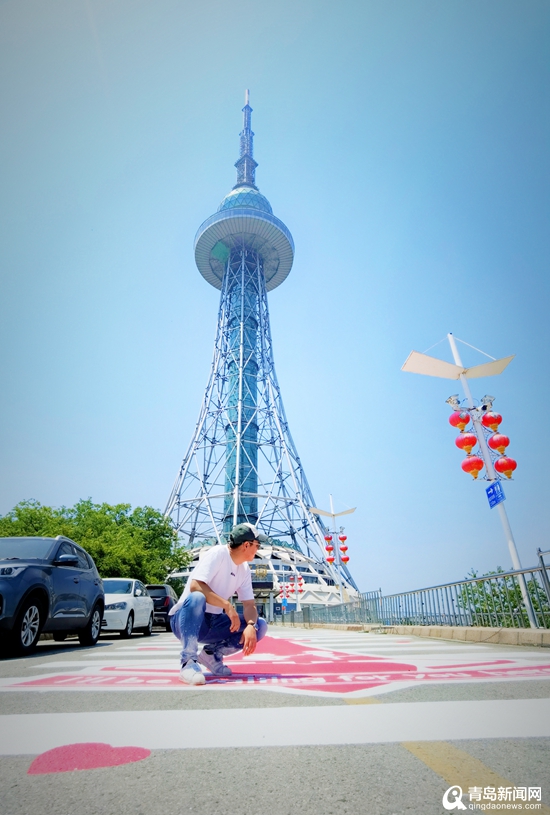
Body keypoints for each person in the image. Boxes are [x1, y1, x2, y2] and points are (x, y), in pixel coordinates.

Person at [169, 522, 268, 685]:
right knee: (197, 597)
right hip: (185, 618)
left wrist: (251, 625)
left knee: (260, 626)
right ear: (246, 545)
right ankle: (188, 662)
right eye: (257, 544)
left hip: (212, 622)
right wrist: (227, 605)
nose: (258, 549)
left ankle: (211, 655)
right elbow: (196, 586)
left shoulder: (244, 569)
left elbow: (250, 605)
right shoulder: (218, 554)